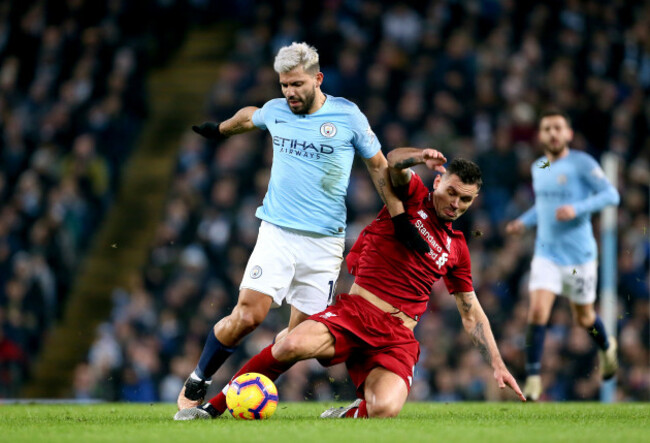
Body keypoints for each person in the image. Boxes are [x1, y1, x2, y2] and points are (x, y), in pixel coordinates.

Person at [174, 150, 525, 420]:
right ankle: (213, 409)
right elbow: (392, 163)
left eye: (465, 200)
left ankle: (349, 413)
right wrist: (422, 155)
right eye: (452, 192)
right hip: (357, 313)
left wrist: (496, 363)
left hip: (397, 337)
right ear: (438, 183)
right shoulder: (413, 197)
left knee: (385, 409)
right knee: (290, 344)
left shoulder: (457, 249)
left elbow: (471, 311)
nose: (456, 204)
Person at [177, 42, 429, 410]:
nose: (290, 93)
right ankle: (200, 378)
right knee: (248, 316)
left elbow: (378, 166)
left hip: (324, 244)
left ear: (317, 79)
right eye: (284, 85)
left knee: (298, 340)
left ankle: (240, 398)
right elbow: (250, 116)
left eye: (297, 84)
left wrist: (398, 216)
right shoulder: (277, 111)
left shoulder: (347, 116)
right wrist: (220, 130)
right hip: (278, 231)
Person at [505, 110, 620, 401]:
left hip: (580, 257)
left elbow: (611, 195)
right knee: (537, 311)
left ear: (568, 134)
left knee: (584, 318)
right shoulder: (539, 166)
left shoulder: (581, 163)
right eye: (547, 129)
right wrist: (523, 221)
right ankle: (532, 378)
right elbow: (542, 206)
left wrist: (578, 209)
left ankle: (607, 348)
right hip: (547, 254)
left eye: (558, 128)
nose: (553, 134)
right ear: (540, 135)